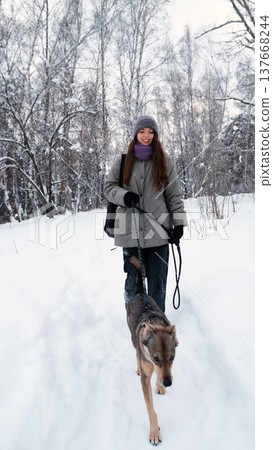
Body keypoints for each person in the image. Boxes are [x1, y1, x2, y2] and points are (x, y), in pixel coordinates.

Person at [104, 115, 187, 312]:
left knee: (157, 283)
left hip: (158, 231)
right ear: (135, 134)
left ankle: (158, 323)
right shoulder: (123, 161)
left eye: (150, 132)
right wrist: (124, 196)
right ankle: (136, 320)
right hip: (129, 233)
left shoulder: (165, 161)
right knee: (134, 280)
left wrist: (179, 223)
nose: (146, 135)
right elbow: (108, 188)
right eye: (142, 131)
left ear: (156, 135)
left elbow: (174, 195)